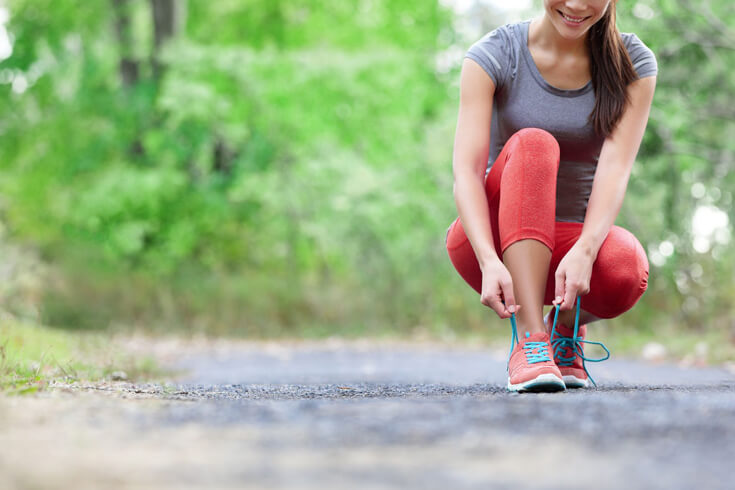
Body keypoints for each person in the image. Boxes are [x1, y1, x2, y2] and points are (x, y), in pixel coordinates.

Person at [446, 0, 657, 392]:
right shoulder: (495, 54)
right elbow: (467, 173)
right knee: (534, 144)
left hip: (570, 255)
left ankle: (562, 330)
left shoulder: (633, 63)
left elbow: (615, 169)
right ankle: (530, 342)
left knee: (628, 266)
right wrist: (488, 259)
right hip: (492, 246)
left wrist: (587, 250)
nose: (576, 5)